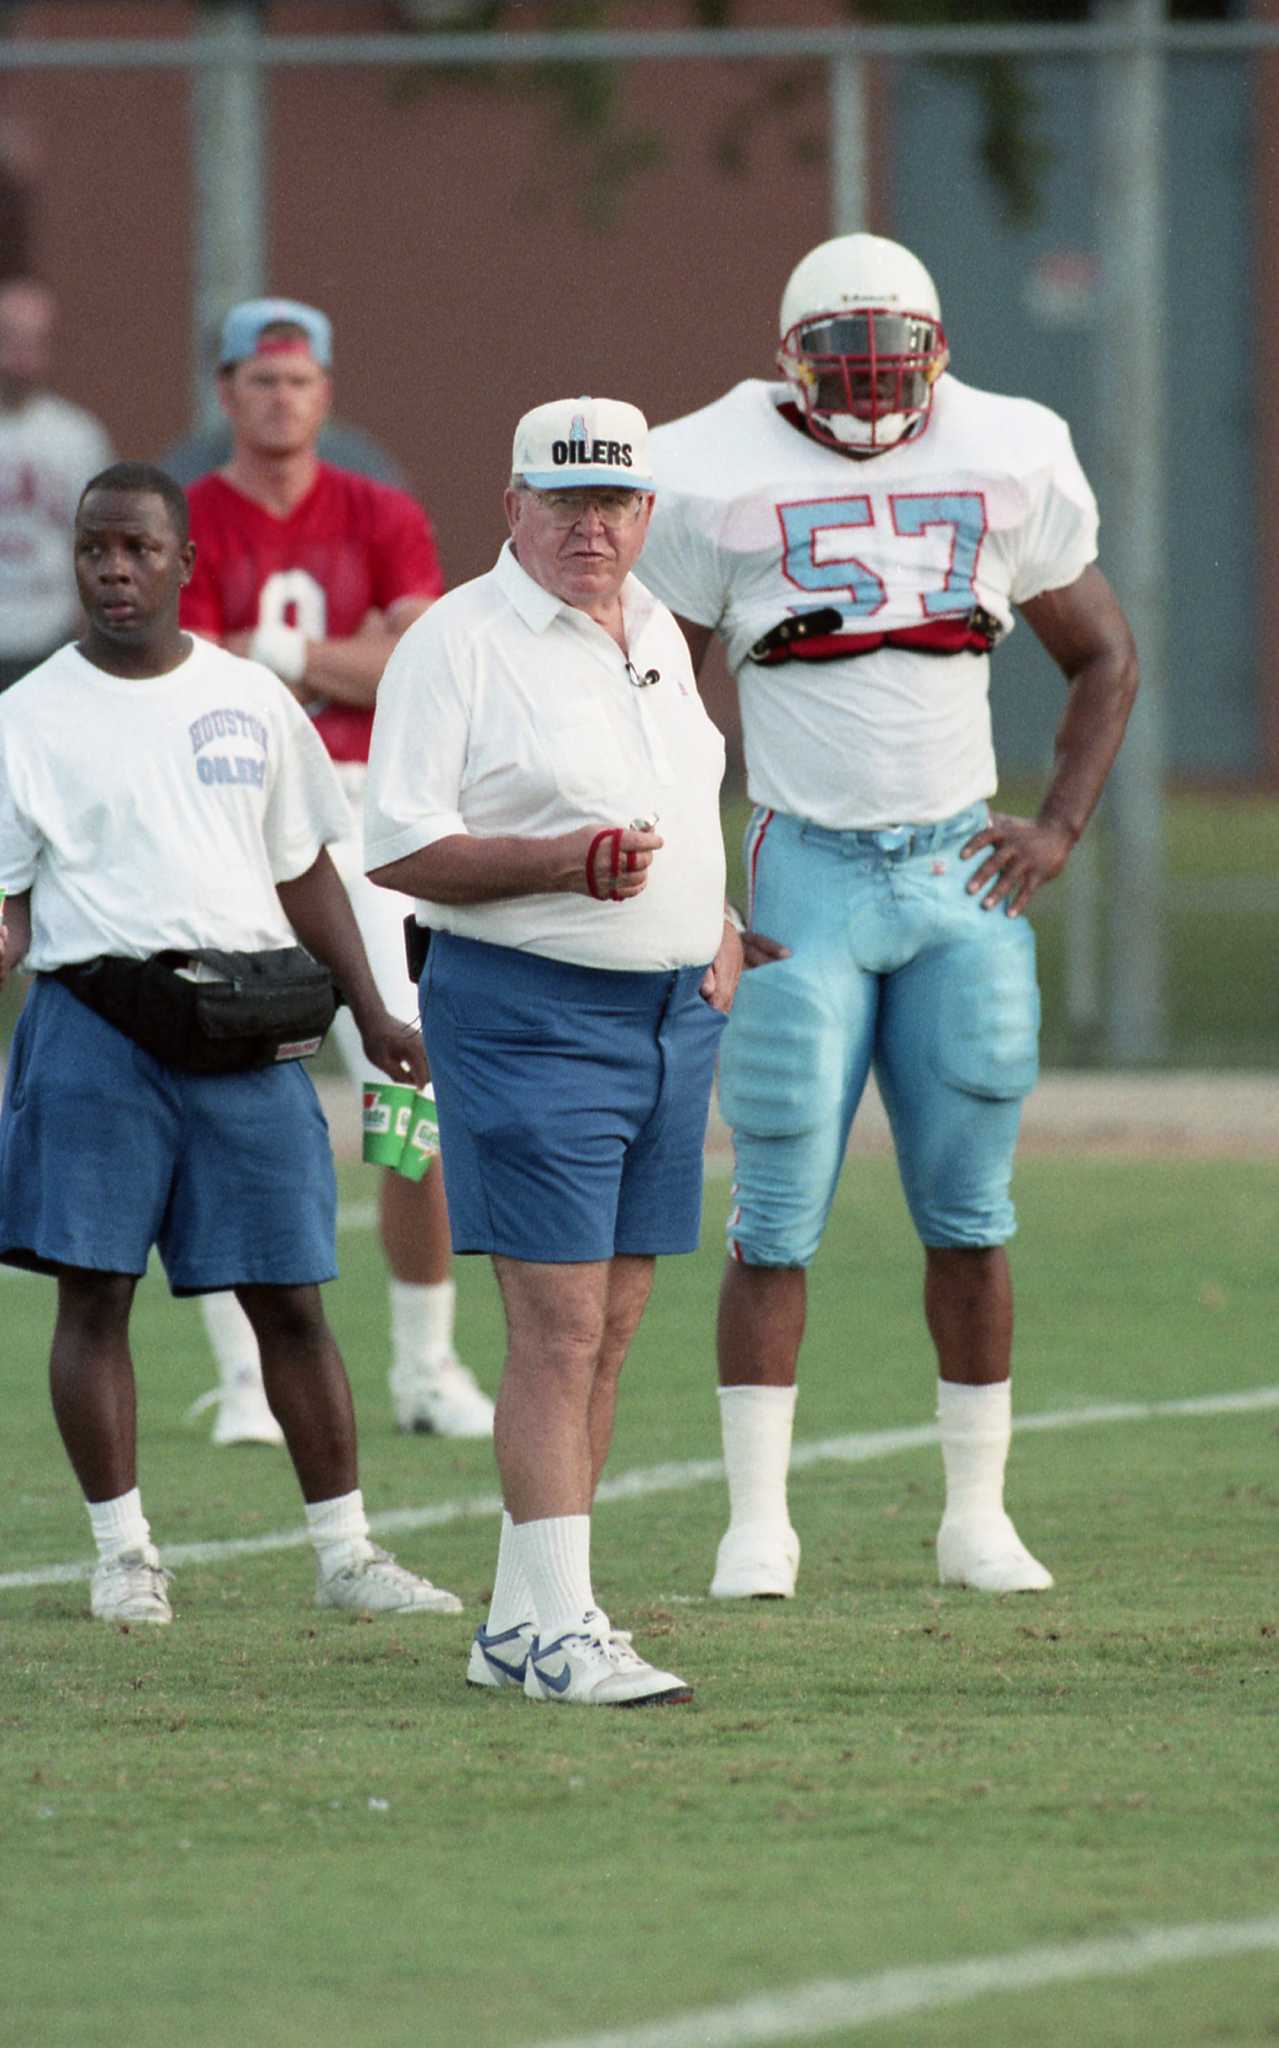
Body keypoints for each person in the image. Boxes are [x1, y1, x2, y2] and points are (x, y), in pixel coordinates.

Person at [637, 232, 1139, 1601]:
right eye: (840, 372)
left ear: (937, 358)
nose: (865, 399)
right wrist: (702, 892)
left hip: (952, 868)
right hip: (801, 866)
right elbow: (651, 700)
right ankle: (758, 1523)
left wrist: (1055, 827)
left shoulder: (1008, 449)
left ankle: (974, 1514)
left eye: (887, 368)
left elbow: (1099, 654)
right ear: (785, 365)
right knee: (775, 1200)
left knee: (970, 1207)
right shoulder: (704, 465)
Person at [0, 463, 463, 1628]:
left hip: (249, 1030)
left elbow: (304, 862)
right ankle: (123, 1552)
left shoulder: (252, 697)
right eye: (95, 548)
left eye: (138, 549)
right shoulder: (26, 716)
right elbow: (10, 902)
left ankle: (345, 1552)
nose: (114, 568)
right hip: (93, 1025)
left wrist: (372, 1005)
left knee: (292, 1299)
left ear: (184, 564)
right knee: (94, 1296)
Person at [364, 396, 743, 1706]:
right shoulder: (454, 642)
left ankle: (519, 1625)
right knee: (556, 1326)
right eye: (564, 499)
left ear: (647, 513)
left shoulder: (650, 629)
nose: (591, 525)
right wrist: (556, 865)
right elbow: (400, 845)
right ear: (511, 505)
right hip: (524, 1007)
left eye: (615, 502)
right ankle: (562, 1628)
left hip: (665, 1017)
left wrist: (719, 923)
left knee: (616, 1322)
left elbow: (680, 806)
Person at [180, 296, 492, 1447]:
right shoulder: (190, 514)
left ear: (325, 391)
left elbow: (407, 654)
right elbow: (183, 668)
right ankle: (244, 1378)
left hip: (359, 815)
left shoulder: (378, 510)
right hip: (228, 808)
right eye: (259, 380)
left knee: (405, 1079)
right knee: (206, 1075)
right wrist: (327, 663)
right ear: (226, 393)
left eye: (298, 379)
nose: (279, 398)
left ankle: (424, 1360)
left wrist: (269, 652)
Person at [0, 278, 114, 693]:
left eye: (35, 341)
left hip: (51, 642)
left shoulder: (79, 437)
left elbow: (100, 544)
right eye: (9, 338)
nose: (21, 355)